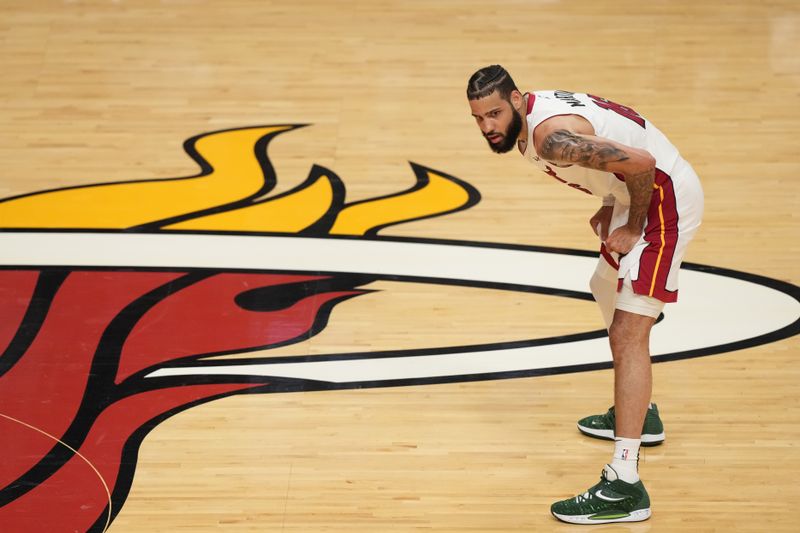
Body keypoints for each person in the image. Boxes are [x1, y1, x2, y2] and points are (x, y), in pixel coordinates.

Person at [467, 65, 704, 524]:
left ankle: (624, 485)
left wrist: (633, 222)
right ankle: (641, 412)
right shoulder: (534, 117)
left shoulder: (552, 138)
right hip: (633, 196)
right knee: (602, 287)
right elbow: (617, 148)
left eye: (494, 113)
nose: (488, 127)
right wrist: (609, 201)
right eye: (478, 118)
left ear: (517, 99)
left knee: (626, 334)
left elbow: (641, 163)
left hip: (661, 204)